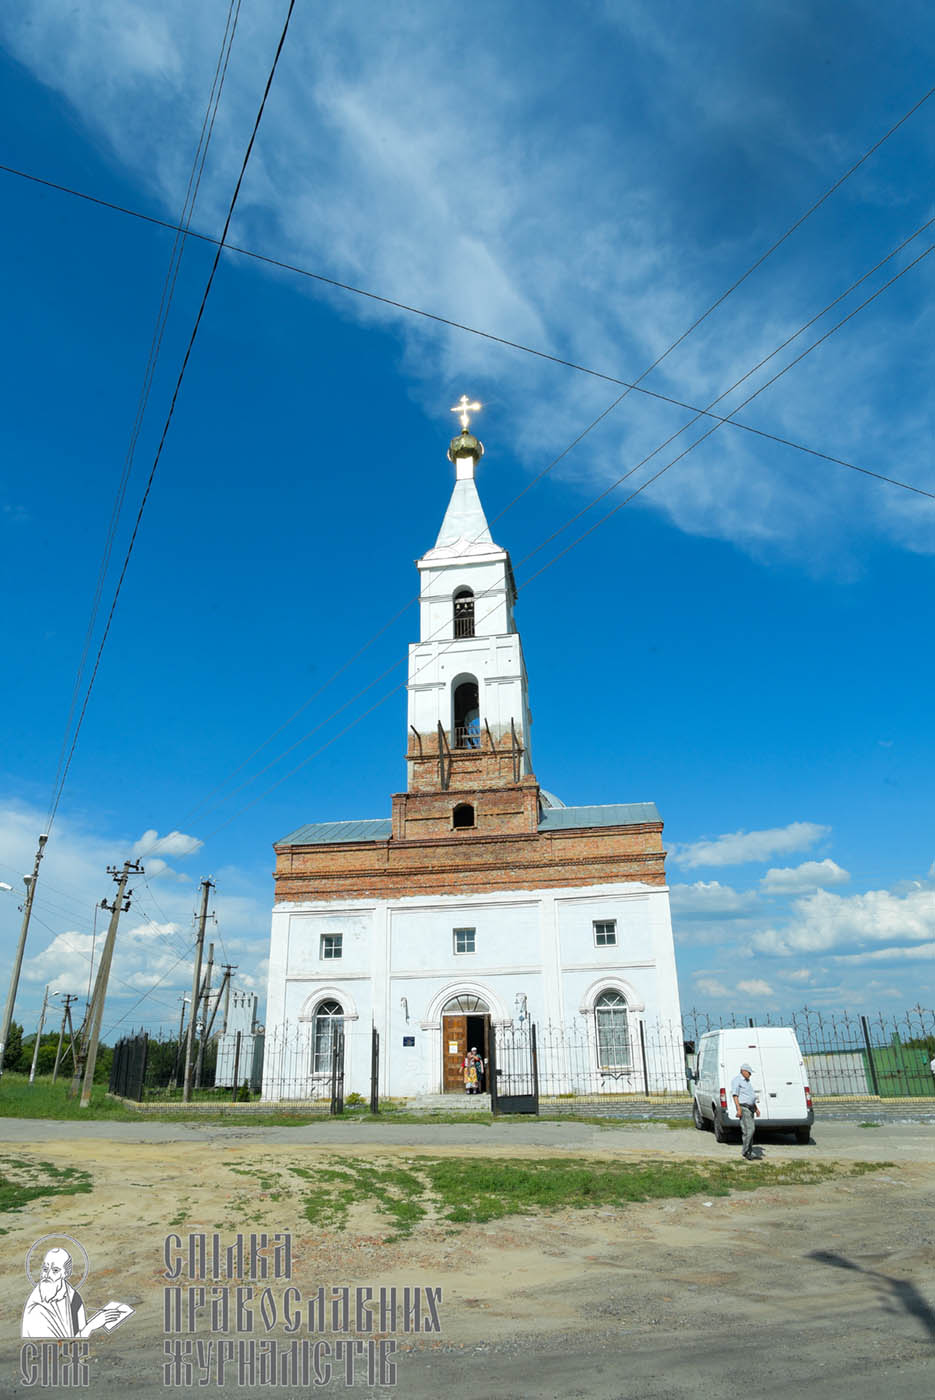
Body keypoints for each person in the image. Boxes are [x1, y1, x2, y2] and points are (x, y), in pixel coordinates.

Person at [22, 1248, 123, 1339]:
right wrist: (93, 1324)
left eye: (55, 1270)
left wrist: (97, 1321)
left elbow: (80, 1337)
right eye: (45, 1269)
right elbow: (58, 1344)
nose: (47, 1275)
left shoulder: (73, 1297)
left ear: (66, 1273)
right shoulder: (37, 1309)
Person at [730, 1062, 760, 1160]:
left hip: (750, 1108)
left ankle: (749, 1151)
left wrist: (756, 1109)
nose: (750, 1074)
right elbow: (735, 1095)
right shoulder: (737, 1080)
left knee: (750, 1130)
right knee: (749, 1130)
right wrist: (738, 1109)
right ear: (743, 1071)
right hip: (744, 1108)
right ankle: (746, 1151)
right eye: (749, 1072)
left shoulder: (747, 1081)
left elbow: (750, 1096)